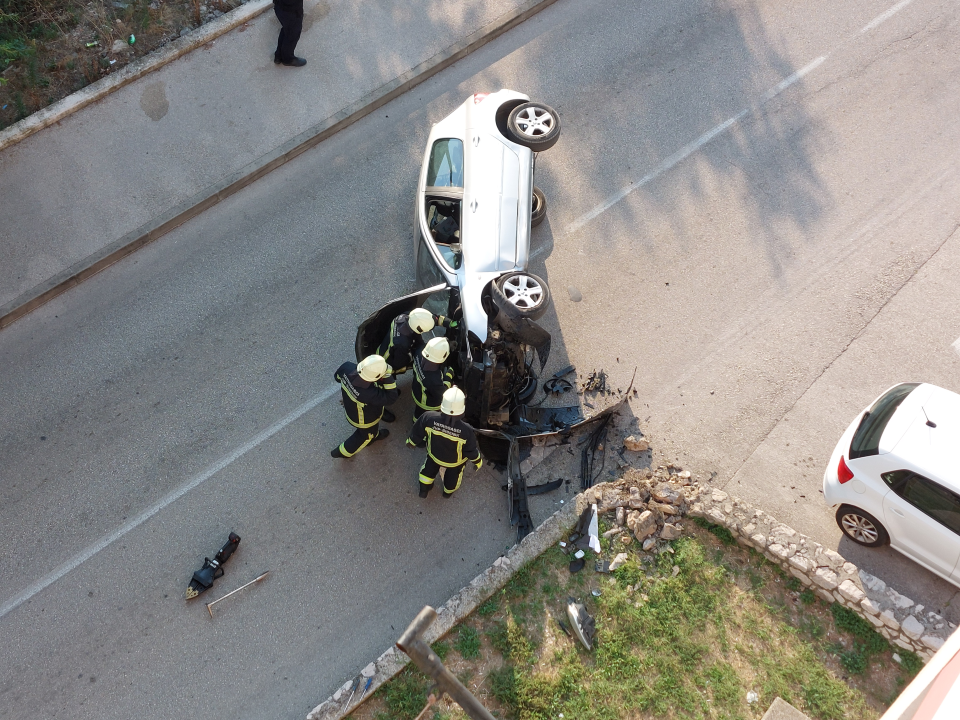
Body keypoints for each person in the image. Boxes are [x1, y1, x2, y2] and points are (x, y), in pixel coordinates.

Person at [406, 386, 482, 498]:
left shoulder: (428, 417)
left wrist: (411, 442)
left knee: (428, 471)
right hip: (454, 462)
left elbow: (417, 431)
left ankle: (424, 489)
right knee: (453, 478)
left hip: (434, 455)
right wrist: (478, 461)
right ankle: (447, 493)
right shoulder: (467, 430)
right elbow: (470, 450)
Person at [331, 354, 399, 459]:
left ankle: (374, 434)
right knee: (366, 436)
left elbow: (337, 377)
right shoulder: (369, 393)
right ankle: (343, 452)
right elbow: (391, 398)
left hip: (351, 407)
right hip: (364, 420)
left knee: (370, 431)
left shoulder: (347, 367)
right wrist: (388, 377)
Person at [378, 307, 457, 375]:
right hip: (386, 362)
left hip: (386, 346)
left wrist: (449, 323)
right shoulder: (403, 344)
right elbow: (399, 364)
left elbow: (429, 319)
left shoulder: (407, 316)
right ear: (419, 329)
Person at [411, 337, 453, 421]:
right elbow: (442, 393)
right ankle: (420, 424)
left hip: (416, 389)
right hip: (427, 403)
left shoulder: (419, 352)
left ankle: (415, 421)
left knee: (418, 412)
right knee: (425, 416)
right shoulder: (433, 379)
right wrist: (449, 376)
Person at [273, 0, 306, 67]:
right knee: (293, 33)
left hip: (279, 6)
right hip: (291, 10)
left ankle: (278, 55)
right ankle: (287, 59)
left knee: (287, 29)